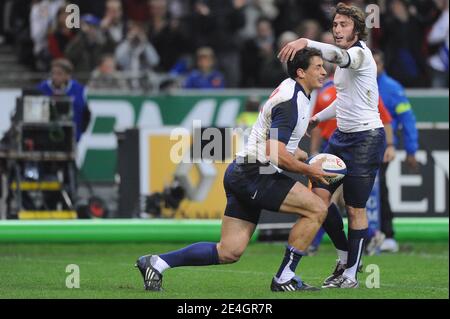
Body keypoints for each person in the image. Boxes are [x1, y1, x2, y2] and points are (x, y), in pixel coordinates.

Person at [135, 48, 335, 292]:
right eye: (318, 66)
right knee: (317, 209)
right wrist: (310, 170)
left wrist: (299, 154)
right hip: (255, 173)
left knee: (229, 251)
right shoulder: (292, 102)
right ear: (301, 72)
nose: (324, 71)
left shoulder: (295, 93)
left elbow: (274, 143)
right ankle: (284, 278)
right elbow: (275, 153)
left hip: (243, 171)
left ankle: (156, 262)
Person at [278, 2, 386, 288]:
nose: (337, 30)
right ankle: (344, 257)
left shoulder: (361, 55)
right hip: (341, 137)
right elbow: (344, 99)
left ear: (357, 29)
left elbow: (338, 55)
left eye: (344, 25)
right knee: (319, 199)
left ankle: (351, 275)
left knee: (355, 209)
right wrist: (318, 117)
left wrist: (306, 42)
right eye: (335, 25)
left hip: (366, 138)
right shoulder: (344, 64)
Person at [373, 49, 419, 253]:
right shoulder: (358, 84)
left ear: (382, 65)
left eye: (376, 63)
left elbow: (407, 120)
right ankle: (371, 235)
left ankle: (386, 234)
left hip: (382, 149)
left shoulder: (392, 89)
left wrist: (411, 149)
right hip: (359, 146)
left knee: (379, 189)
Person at [37, 58, 91, 142]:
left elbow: (86, 114)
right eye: (53, 73)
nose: (55, 77)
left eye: (59, 74)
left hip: (71, 137)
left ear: (68, 75)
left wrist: (79, 132)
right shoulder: (42, 88)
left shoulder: (79, 90)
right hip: (46, 136)